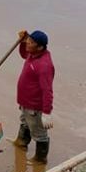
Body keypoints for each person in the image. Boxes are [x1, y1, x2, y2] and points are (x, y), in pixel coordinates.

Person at [13, 30, 55, 164]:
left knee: (39, 133)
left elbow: (47, 90)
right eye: (28, 40)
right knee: (25, 122)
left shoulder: (44, 65)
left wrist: (47, 112)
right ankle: (21, 142)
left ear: (40, 47)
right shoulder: (33, 54)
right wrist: (22, 42)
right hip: (25, 102)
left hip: (34, 107)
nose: (28, 43)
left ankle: (40, 159)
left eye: (31, 42)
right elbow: (24, 54)